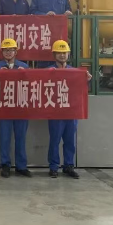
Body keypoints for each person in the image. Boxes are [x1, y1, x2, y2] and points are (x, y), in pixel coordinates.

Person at [47, 40, 91, 179]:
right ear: (54, 55)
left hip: (71, 112)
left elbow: (82, 91)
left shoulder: (75, 72)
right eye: (59, 53)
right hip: (55, 113)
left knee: (70, 141)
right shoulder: (49, 72)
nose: (62, 55)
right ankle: (53, 167)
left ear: (68, 54)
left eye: (64, 52)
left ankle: (69, 166)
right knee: (54, 141)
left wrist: (86, 81)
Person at [0, 38, 30, 178]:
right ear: (2, 52)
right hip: (4, 107)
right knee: (5, 137)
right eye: (5, 50)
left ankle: (21, 166)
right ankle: (5, 165)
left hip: (21, 107)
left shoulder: (24, 66)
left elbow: (32, 85)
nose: (8, 53)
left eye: (11, 50)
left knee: (21, 137)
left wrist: (24, 75)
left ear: (16, 51)